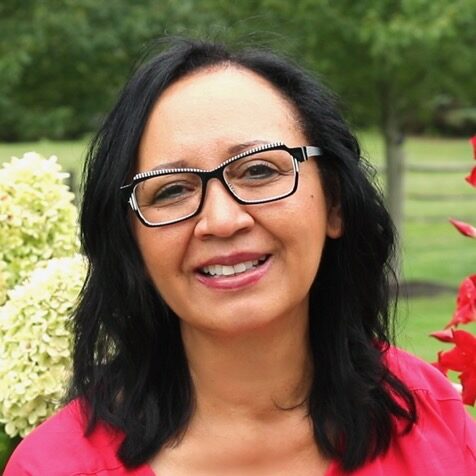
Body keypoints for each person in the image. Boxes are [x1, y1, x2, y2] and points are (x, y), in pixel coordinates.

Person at [5, 38, 476, 475]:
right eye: (171, 190)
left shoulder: (433, 419)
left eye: (259, 170)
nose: (222, 220)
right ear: (132, 243)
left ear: (334, 203)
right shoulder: (53, 467)